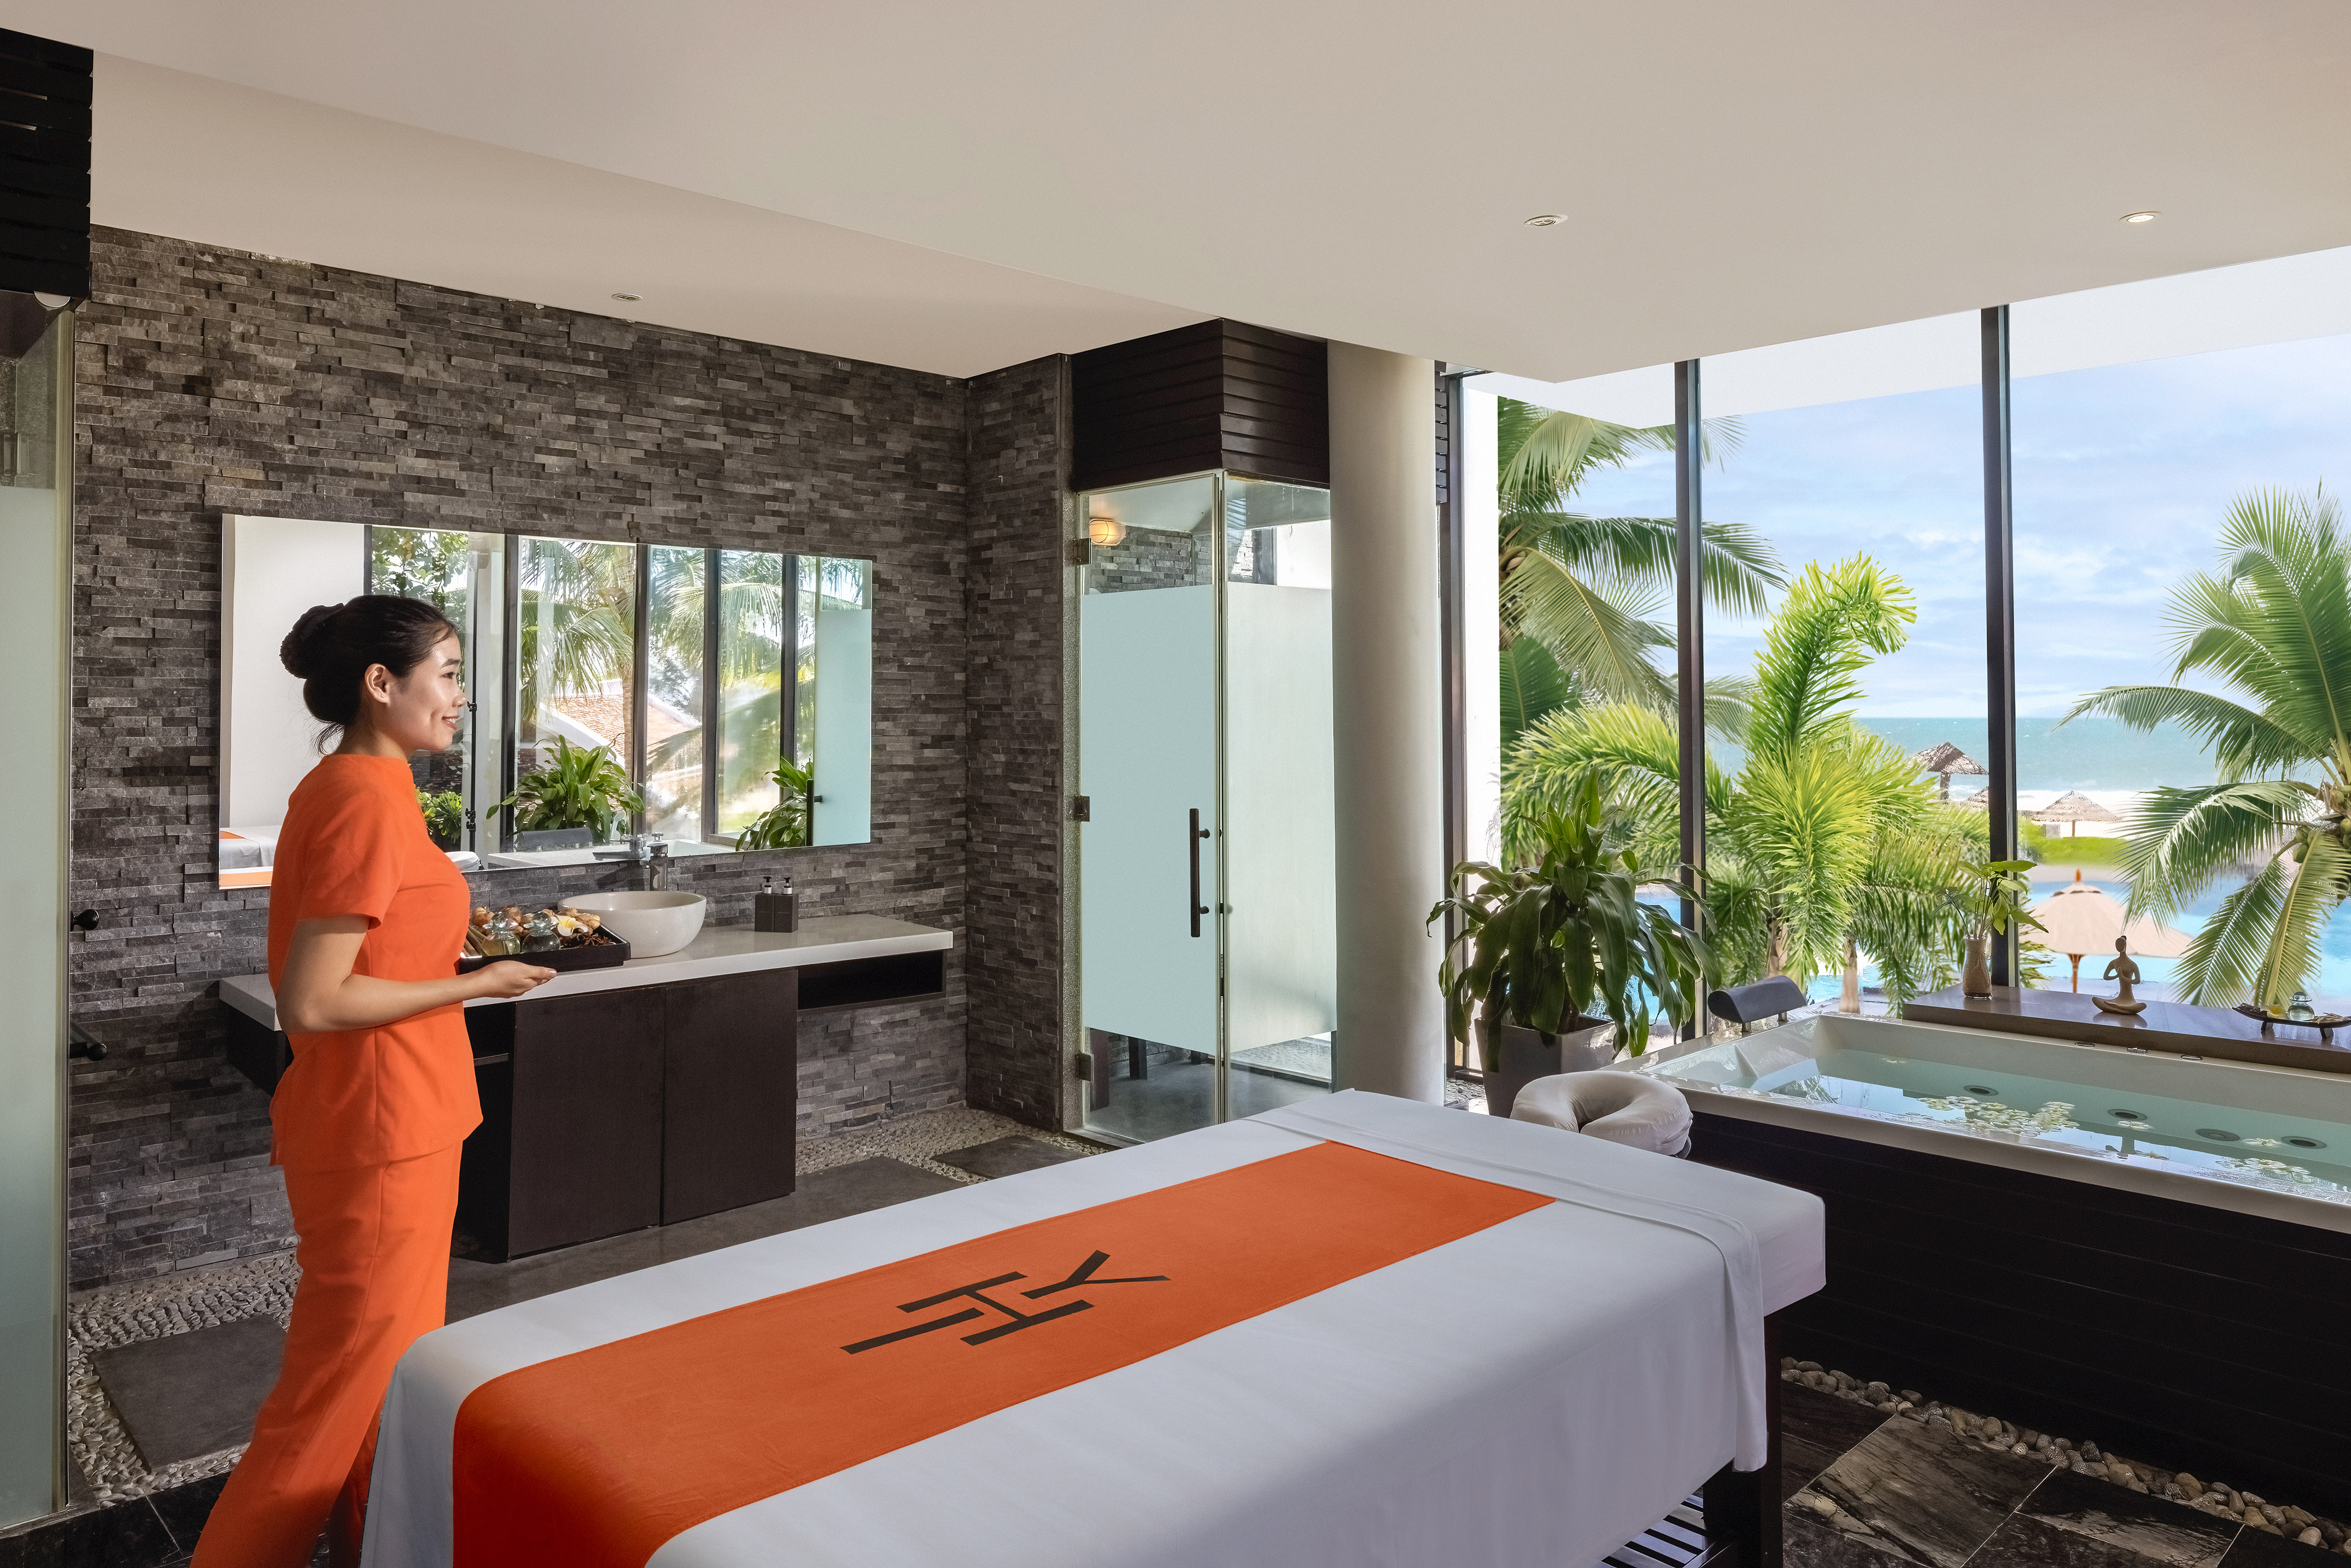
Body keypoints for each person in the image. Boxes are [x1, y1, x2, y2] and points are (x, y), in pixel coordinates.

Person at [195, 596, 554, 1567]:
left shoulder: (363, 785)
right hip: (379, 1132)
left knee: (382, 1384)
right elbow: (314, 1000)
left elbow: (374, 950)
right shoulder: (361, 796)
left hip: (401, 1122)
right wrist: (476, 983)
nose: (462, 696)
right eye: (449, 673)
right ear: (380, 683)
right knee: (328, 1403)